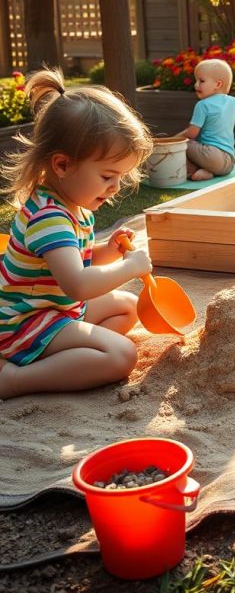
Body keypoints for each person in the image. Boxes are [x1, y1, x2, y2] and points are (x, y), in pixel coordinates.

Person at [0, 68, 154, 399]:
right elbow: (78, 284)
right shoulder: (50, 219)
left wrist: (107, 250)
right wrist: (130, 267)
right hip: (25, 322)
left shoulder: (71, 204)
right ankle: (13, 379)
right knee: (122, 355)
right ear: (62, 165)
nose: (115, 187)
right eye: (107, 176)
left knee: (128, 307)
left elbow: (73, 261)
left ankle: (65, 356)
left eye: (120, 177)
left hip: (54, 308)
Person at [180, 58, 235, 181]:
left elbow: (191, 133)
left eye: (201, 81)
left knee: (182, 144)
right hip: (229, 162)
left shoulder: (202, 105)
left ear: (218, 84)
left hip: (212, 157)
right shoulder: (232, 101)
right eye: (196, 81)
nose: (196, 85)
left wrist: (174, 138)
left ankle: (193, 170)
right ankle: (209, 172)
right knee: (196, 147)